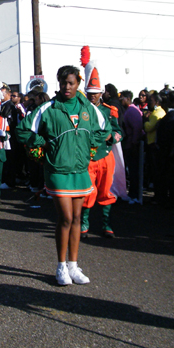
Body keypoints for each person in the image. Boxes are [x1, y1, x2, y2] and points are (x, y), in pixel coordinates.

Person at [17, 65, 107, 286]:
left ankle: (73, 265)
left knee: (77, 218)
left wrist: (89, 146)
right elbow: (22, 130)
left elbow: (104, 130)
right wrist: (43, 144)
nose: (67, 87)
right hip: (57, 171)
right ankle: (60, 265)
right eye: (63, 83)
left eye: (71, 83)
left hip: (80, 171)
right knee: (65, 218)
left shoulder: (88, 107)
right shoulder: (48, 107)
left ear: (78, 83)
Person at [80, 60, 120, 238]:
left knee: (106, 191)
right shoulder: (80, 110)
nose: (92, 96)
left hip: (105, 155)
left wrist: (114, 136)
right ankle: (84, 223)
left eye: (96, 93)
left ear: (101, 93)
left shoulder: (109, 111)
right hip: (88, 157)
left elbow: (118, 131)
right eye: (90, 93)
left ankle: (106, 224)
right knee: (87, 191)